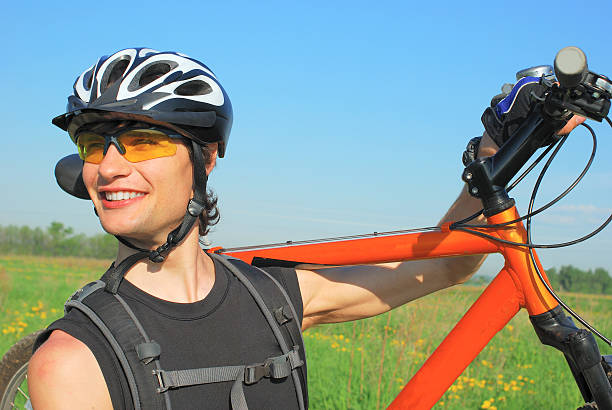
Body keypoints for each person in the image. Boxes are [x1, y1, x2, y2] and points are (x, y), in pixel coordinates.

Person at [27, 48, 583, 409]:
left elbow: (445, 263)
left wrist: (494, 148)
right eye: (95, 144)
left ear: (206, 159)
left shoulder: (270, 296)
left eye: (144, 141)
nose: (111, 166)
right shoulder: (73, 361)